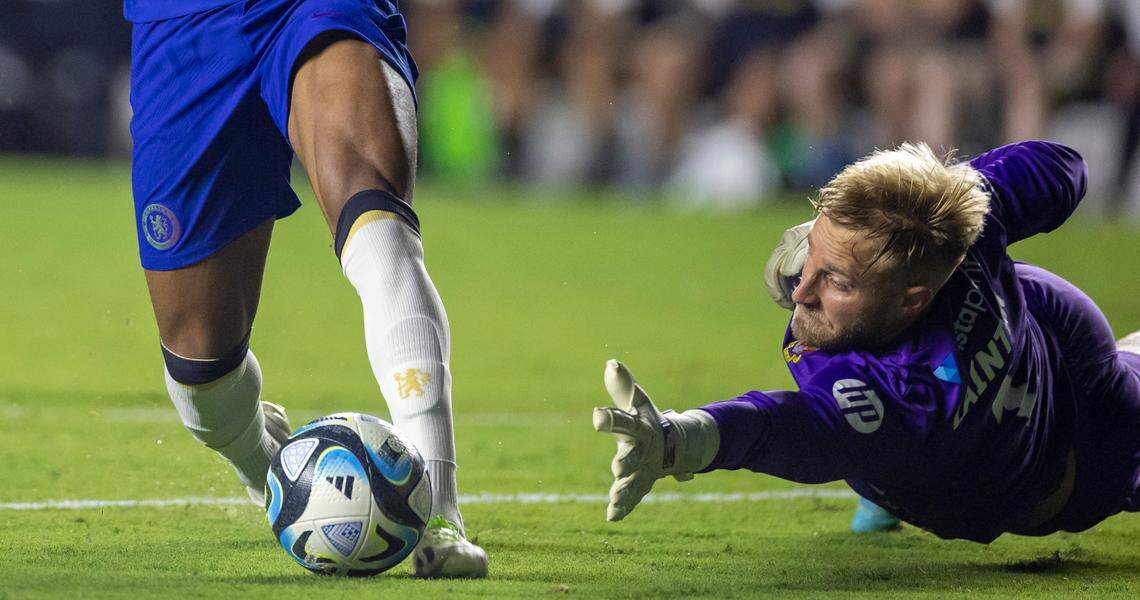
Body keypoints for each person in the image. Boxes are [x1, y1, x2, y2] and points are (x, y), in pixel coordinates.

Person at [593, 140, 1140, 543]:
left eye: (837, 281)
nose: (802, 290)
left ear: (912, 300)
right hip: (1034, 335)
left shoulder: (909, 393)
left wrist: (680, 439)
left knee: (872, 447)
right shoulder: (960, 234)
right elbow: (1063, 166)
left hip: (1081, 454)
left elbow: (788, 427)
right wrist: (945, 197)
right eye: (814, 252)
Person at [125, 0, 486, 577]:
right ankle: (269, 468)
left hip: (312, 8)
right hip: (184, 23)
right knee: (201, 373)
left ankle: (439, 514)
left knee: (378, 226)